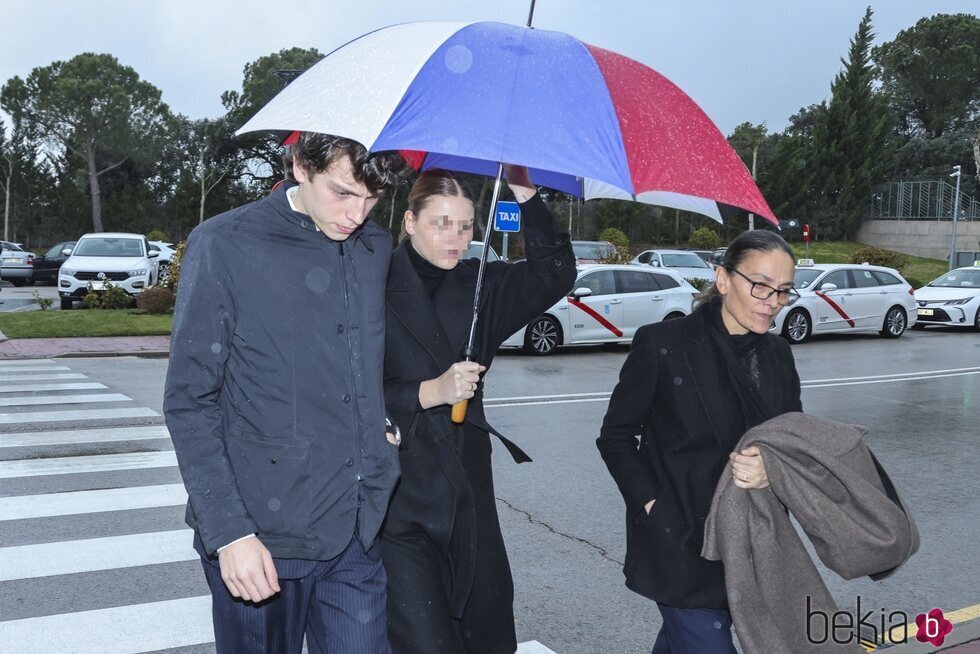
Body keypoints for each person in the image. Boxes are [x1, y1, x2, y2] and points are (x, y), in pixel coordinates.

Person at [163, 132, 408, 654]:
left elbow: (360, 360)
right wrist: (229, 533)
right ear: (300, 165)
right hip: (262, 533)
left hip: (354, 527)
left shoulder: (374, 248)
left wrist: (382, 431)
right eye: (343, 193)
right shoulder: (225, 243)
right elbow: (190, 400)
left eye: (372, 199)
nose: (356, 215)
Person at [381, 167, 576, 654]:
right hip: (399, 495)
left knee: (484, 633)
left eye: (466, 226)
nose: (456, 238)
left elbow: (554, 273)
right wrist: (429, 391)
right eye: (441, 223)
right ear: (409, 221)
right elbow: (343, 389)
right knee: (426, 641)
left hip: (468, 489)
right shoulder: (372, 283)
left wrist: (525, 192)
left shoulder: (480, 284)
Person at [596, 230, 804, 654]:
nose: (772, 301)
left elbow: (791, 440)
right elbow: (616, 437)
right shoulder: (664, 344)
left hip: (748, 539)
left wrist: (773, 469)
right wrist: (651, 504)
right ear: (723, 278)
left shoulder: (778, 356)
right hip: (678, 540)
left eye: (783, 291)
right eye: (761, 285)